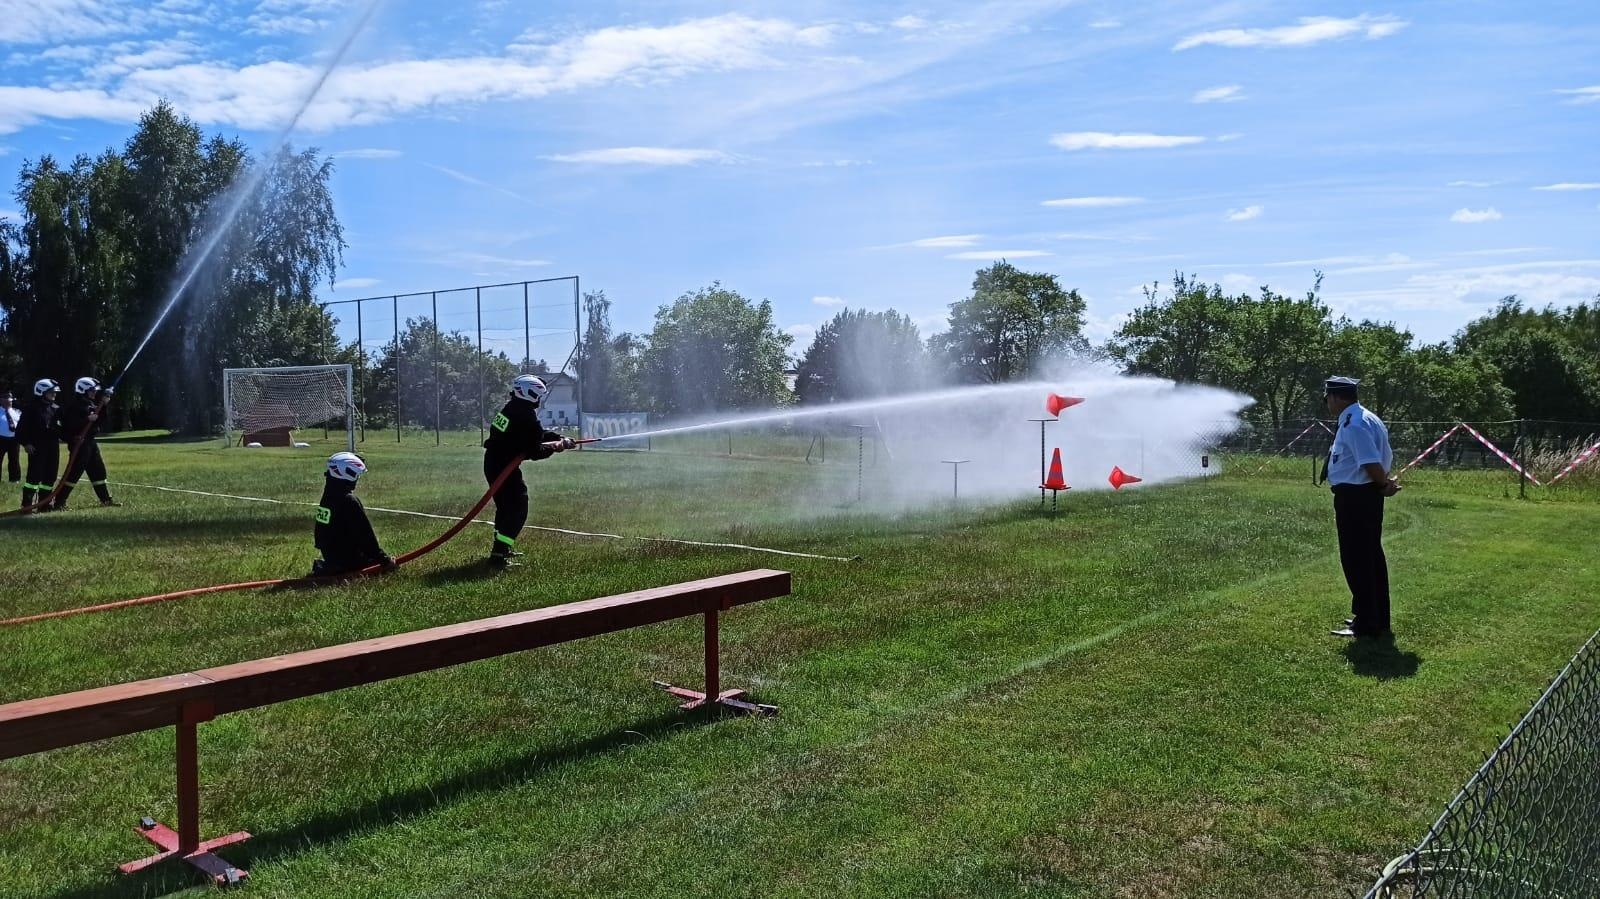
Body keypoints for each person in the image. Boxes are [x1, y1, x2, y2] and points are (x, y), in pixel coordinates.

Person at [1322, 376, 1400, 639]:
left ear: (1336, 397)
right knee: (1370, 557)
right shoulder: (1366, 418)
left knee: (1357, 559)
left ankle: (1367, 622)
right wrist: (1382, 483)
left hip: (1356, 497)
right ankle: (1375, 616)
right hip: (1363, 495)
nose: (1327, 403)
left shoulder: (1354, 424)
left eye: (1328, 398)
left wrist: (1383, 484)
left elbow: (1369, 461)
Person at [481, 374, 574, 568]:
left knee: (506, 507)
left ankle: (501, 549)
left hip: (495, 463)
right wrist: (556, 447)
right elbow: (535, 450)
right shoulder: (525, 415)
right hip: (503, 466)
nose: (539, 400)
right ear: (529, 394)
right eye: (538, 396)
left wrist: (559, 437)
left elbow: (534, 436)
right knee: (518, 507)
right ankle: (498, 556)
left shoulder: (513, 408)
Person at [310, 451, 395, 577]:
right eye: (356, 475)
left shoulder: (328, 497)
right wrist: (384, 560)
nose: (357, 479)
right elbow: (365, 536)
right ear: (346, 473)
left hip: (331, 557)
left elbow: (321, 534)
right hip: (349, 561)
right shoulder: (349, 501)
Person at [54, 377, 120, 510]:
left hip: (90, 443)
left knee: (98, 471)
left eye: (95, 391)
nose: (94, 393)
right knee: (73, 474)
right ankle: (59, 502)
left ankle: (105, 500)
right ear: (83, 390)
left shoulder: (90, 404)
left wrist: (104, 405)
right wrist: (86, 419)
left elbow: (100, 421)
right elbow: (69, 425)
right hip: (79, 444)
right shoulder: (74, 406)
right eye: (91, 390)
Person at [16, 379, 63, 512]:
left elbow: (63, 427)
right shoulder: (31, 408)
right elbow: (20, 430)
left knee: (50, 476)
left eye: (55, 392)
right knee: (34, 477)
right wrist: (26, 443)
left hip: (53, 446)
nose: (54, 394)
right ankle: (27, 506)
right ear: (41, 392)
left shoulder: (56, 409)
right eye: (51, 392)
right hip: (37, 447)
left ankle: (44, 505)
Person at [0, 390, 20, 483]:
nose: (10, 402)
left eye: (11, 401)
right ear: (1, 400)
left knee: (14, 460)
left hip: (14, 440)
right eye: (8, 400)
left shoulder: (17, 412)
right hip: (1, 439)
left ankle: (14, 479)